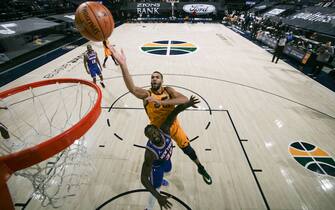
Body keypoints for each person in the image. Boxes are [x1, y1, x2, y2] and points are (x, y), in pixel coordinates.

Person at [108, 46, 212, 185]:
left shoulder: (168, 91)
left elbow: (184, 100)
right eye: (152, 77)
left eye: (157, 77)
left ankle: (200, 167)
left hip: (174, 126)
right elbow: (132, 89)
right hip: (158, 132)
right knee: (158, 161)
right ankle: (156, 180)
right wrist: (123, 65)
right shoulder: (147, 95)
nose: (154, 79)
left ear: (162, 81)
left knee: (187, 149)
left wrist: (162, 102)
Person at [141, 96, 199, 210]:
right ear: (149, 139)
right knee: (156, 187)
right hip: (156, 167)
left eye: (154, 132)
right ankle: (149, 208)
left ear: (158, 129)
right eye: (150, 136)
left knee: (168, 170)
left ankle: (161, 178)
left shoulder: (165, 129)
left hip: (166, 160)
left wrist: (188, 103)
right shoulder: (150, 153)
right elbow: (143, 178)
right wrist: (158, 197)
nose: (154, 136)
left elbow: (175, 112)